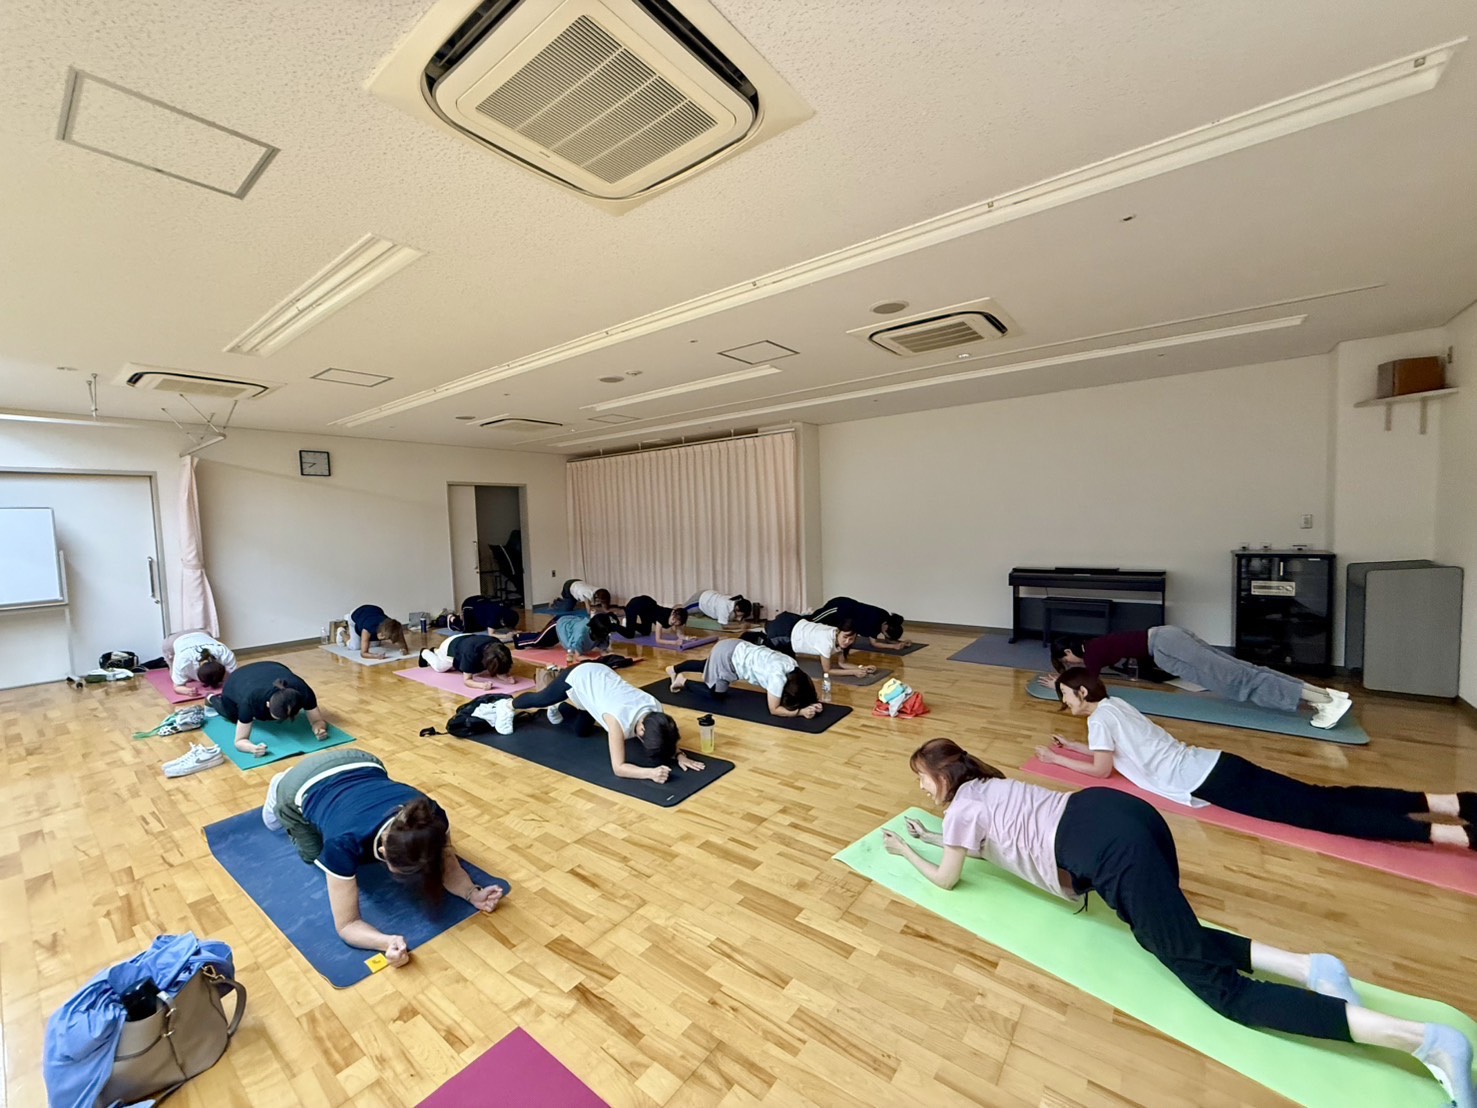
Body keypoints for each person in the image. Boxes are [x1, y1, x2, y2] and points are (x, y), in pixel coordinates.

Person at [884, 738, 1476, 1106]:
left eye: (920, 779)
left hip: (1113, 852)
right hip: (1121, 813)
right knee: (1173, 934)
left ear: (941, 780)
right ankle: (1310, 967)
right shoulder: (991, 785)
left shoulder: (961, 812)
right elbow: (986, 843)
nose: (920, 788)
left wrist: (908, 851)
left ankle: (1426, 1041)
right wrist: (931, 834)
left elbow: (948, 879)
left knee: (1225, 995)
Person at [1035, 669, 1476, 849]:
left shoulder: (1100, 720)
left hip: (1210, 782)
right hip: (1220, 763)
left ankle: (1456, 836)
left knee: (1320, 815)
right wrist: (1069, 746)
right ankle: (1451, 802)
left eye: (1065, 694)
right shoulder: (1116, 706)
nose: (1064, 701)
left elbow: (1102, 769)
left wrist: (1057, 763)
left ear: (1082, 692)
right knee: (1324, 795)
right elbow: (1115, 752)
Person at [260, 749, 504, 966]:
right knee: (310, 854)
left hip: (362, 762)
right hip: (300, 783)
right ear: (384, 854)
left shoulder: (432, 817)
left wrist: (473, 893)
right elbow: (347, 925)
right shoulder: (342, 844)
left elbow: (450, 869)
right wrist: (384, 942)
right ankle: (279, 783)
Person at [1040, 626, 1351, 729]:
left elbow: (1089, 685)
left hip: (1166, 645)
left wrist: (1059, 684)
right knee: (1244, 672)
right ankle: (1324, 695)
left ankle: (1325, 701)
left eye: (1065, 661)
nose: (1069, 664)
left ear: (1068, 652)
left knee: (1239, 680)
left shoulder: (1092, 652)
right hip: (1168, 640)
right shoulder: (1095, 645)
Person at [481, 661, 704, 783]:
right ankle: (506, 706)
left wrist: (679, 755)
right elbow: (619, 768)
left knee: (581, 731)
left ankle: (560, 706)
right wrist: (649, 773)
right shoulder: (616, 721)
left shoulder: (655, 708)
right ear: (642, 728)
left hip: (600, 689)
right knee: (541, 699)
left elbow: (665, 733)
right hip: (580, 675)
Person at [666, 638, 822, 719]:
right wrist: (800, 712)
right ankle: (682, 681)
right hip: (726, 656)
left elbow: (802, 686)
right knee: (717, 695)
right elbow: (774, 710)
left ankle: (673, 669)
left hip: (735, 645)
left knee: (707, 665)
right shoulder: (777, 678)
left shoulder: (792, 665)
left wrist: (812, 703)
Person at [208, 660, 329, 756]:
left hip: (273, 666)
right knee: (232, 717)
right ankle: (211, 699)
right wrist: (252, 748)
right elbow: (239, 741)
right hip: (236, 679)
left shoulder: (303, 691)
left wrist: (319, 728)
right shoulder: (250, 700)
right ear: (267, 704)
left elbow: (317, 720)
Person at [749, 612, 877, 679]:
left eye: (851, 639)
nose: (847, 641)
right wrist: (853, 672)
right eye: (845, 637)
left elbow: (842, 663)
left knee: (789, 660)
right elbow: (827, 671)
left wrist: (862, 668)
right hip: (784, 630)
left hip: (796, 625)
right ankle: (752, 636)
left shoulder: (839, 636)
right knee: (767, 655)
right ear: (838, 632)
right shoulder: (826, 642)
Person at [420, 634, 518, 690]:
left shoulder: (500, 647)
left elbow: (499, 667)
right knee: (440, 667)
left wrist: (506, 678)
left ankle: (437, 652)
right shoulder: (470, 653)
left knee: (474, 669)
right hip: (450, 645)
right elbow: (467, 680)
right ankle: (426, 652)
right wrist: (481, 685)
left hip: (467, 638)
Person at [810, 596, 911, 650]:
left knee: (821, 622)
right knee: (813, 620)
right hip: (839, 607)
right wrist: (893, 646)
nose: (884, 636)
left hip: (843, 616)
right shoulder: (874, 622)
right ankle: (801, 617)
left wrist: (900, 643)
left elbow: (888, 639)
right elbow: (874, 644)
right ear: (886, 627)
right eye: (885, 634)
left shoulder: (886, 618)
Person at [519, 612, 619, 662]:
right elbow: (577, 656)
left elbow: (603, 651)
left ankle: (532, 634)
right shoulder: (581, 635)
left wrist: (610, 657)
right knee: (538, 641)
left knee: (548, 642)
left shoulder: (603, 632)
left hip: (570, 625)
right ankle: (518, 638)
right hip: (560, 624)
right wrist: (595, 661)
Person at [162, 628, 237, 694]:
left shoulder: (224, 652)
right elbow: (177, 687)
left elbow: (235, 676)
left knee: (185, 676)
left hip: (203, 633)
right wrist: (187, 691)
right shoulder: (183, 661)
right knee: (174, 677)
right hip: (173, 640)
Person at [617, 595, 693, 646]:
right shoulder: (661, 618)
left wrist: (688, 638)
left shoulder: (678, 615)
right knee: (630, 634)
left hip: (646, 607)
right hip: (635, 605)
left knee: (646, 631)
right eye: (674, 621)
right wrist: (674, 643)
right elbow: (658, 640)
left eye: (676, 623)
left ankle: (629, 623)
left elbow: (679, 634)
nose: (673, 623)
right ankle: (613, 624)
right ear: (673, 614)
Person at [340, 604, 409, 660]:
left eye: (386, 638)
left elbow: (404, 646)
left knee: (375, 645)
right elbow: (363, 653)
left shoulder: (393, 627)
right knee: (355, 647)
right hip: (355, 615)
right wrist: (375, 656)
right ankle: (342, 632)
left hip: (372, 612)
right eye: (382, 635)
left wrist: (404, 650)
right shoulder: (368, 628)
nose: (383, 638)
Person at [689, 589, 753, 625]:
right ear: (737, 608)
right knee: (684, 613)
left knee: (698, 616)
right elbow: (723, 626)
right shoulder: (725, 607)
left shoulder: (734, 604)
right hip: (701, 599)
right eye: (741, 615)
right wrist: (740, 627)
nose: (740, 617)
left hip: (710, 600)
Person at [551, 579, 616, 614]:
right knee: (567, 609)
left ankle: (565, 601)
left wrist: (607, 611)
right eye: (599, 600)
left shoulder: (601, 592)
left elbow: (604, 604)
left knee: (572, 603)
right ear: (596, 596)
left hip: (578, 583)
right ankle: (556, 602)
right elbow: (588, 609)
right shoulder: (587, 593)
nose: (599, 602)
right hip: (569, 586)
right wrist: (592, 614)